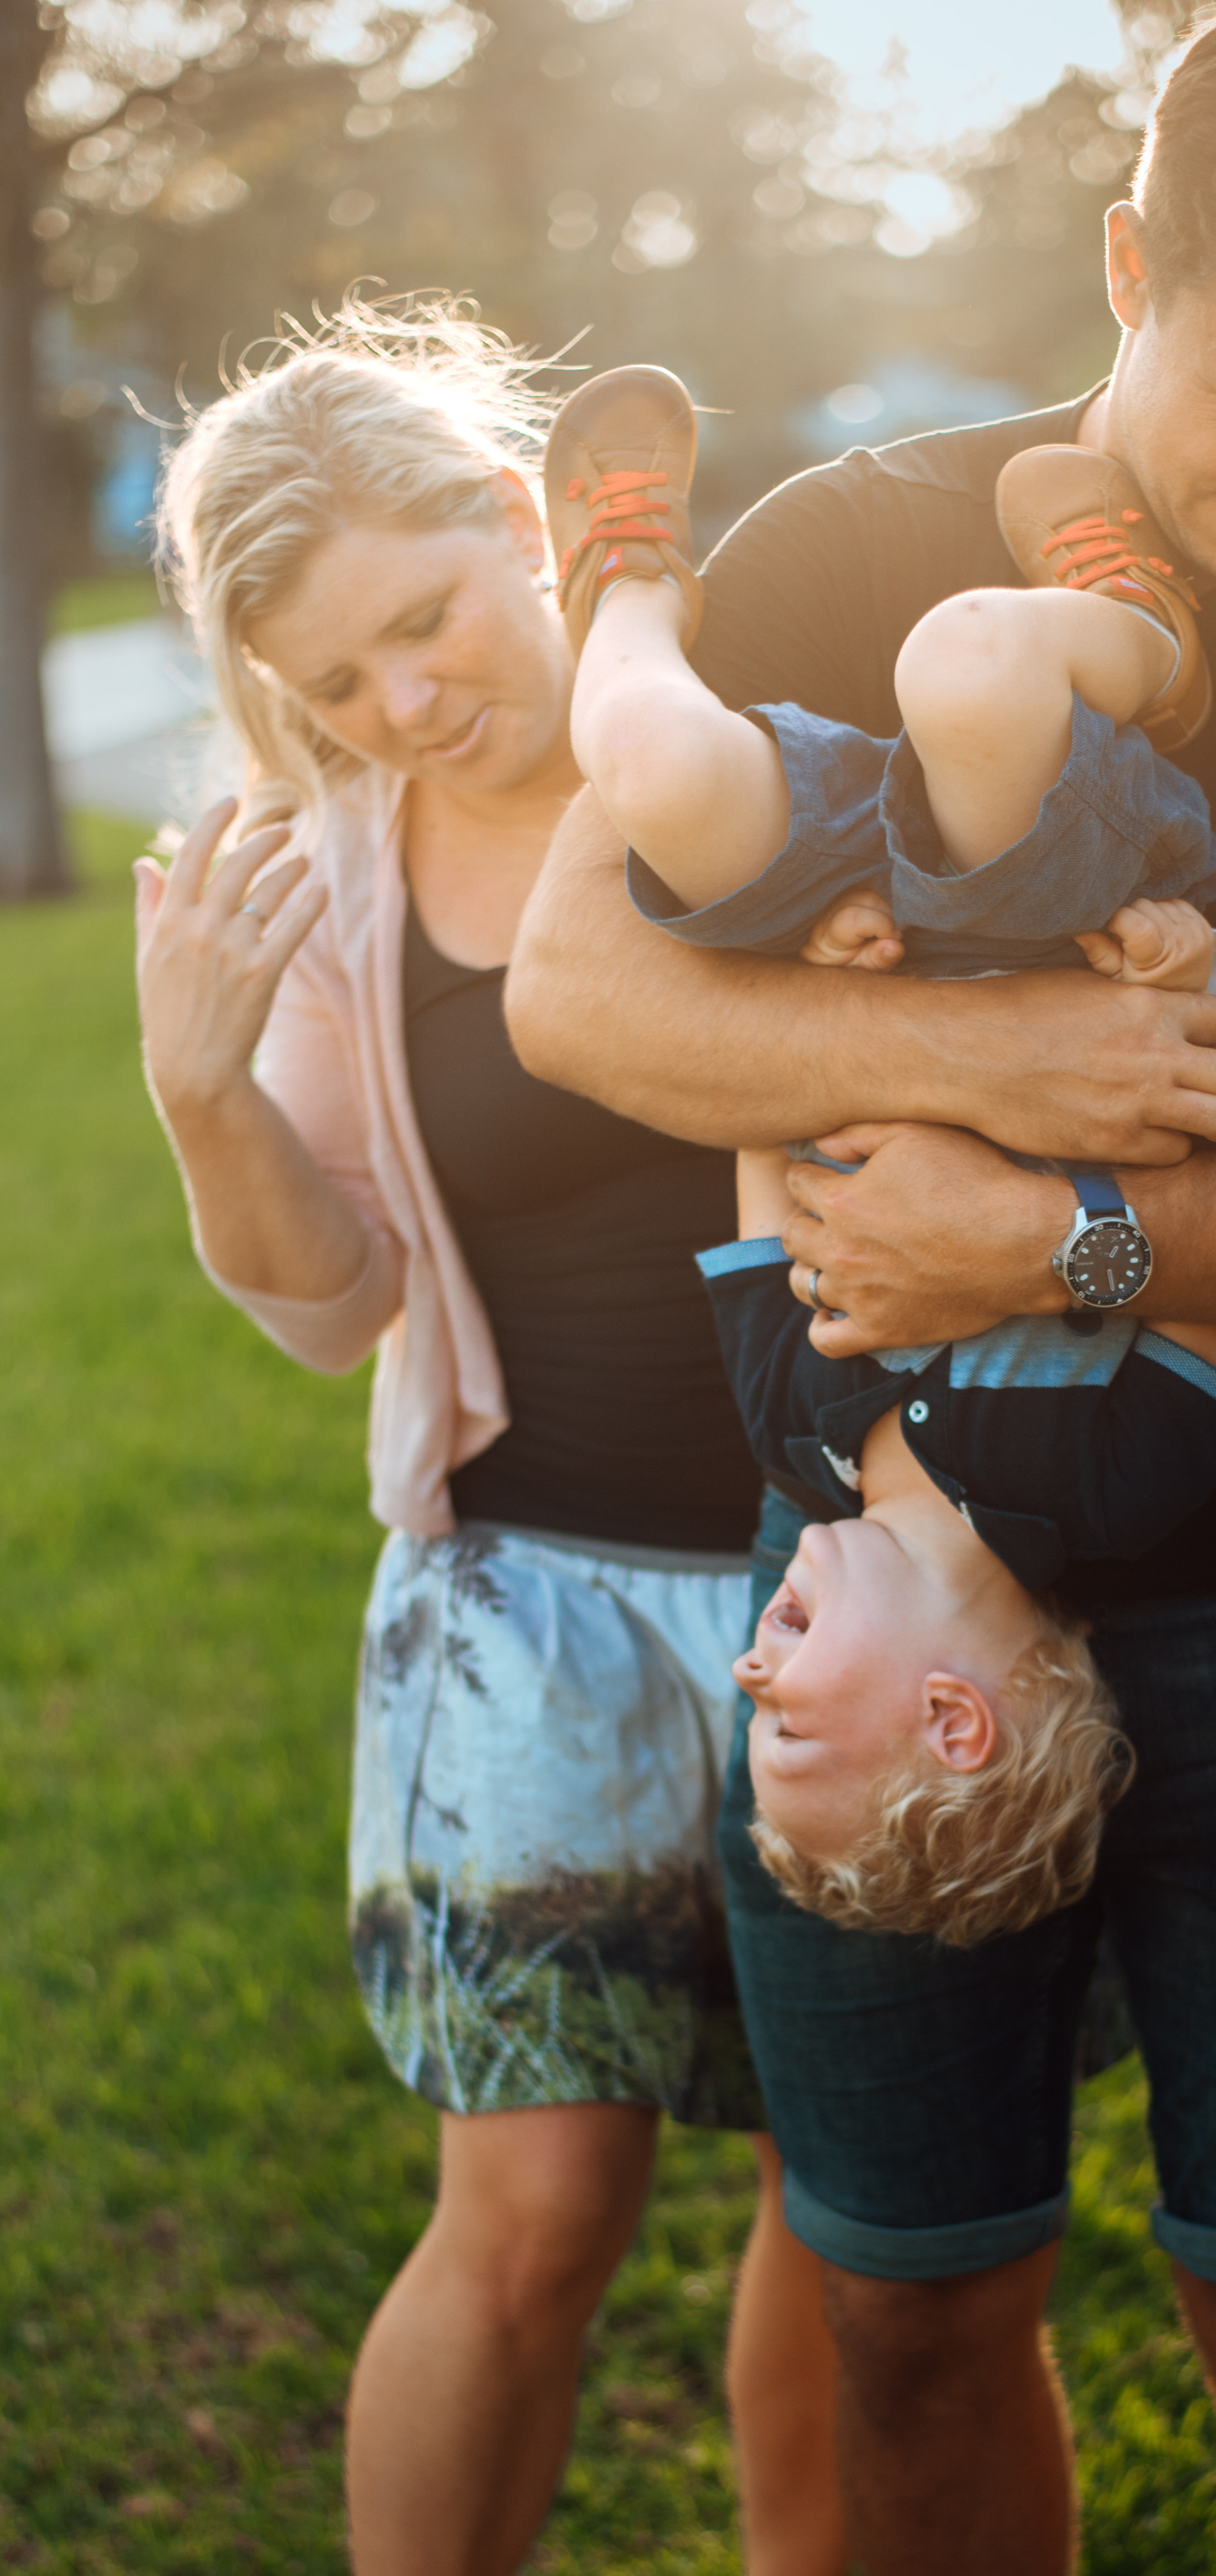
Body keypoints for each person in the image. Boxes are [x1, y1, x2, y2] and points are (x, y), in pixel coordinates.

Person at [509, 0, 1216, 2576]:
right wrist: (1029, 1089)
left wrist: (1070, 1236)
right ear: (1132, 265)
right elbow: (580, 988)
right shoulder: (857, 542)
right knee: (904, 2302)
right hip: (870, 1590)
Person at [132, 304, 845, 2576]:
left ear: (526, 514)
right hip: (522, 1601)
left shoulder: (729, 737)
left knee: (842, 2211)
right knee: (530, 2211)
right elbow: (337, 1300)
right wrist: (201, 1087)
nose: (408, 703)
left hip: (832, 1575)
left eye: (428, 620)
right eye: (342, 681)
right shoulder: (334, 864)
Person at [548, 379, 1216, 1940]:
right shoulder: (1128, 1479)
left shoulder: (788, 1430)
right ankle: (1136, 617)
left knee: (658, 768)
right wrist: (1169, 976)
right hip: (1046, 902)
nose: (746, 1670)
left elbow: (754, 1111)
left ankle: (619, 590)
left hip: (848, 940)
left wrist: (813, 977)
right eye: (788, 1720)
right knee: (969, 656)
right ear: (954, 1719)